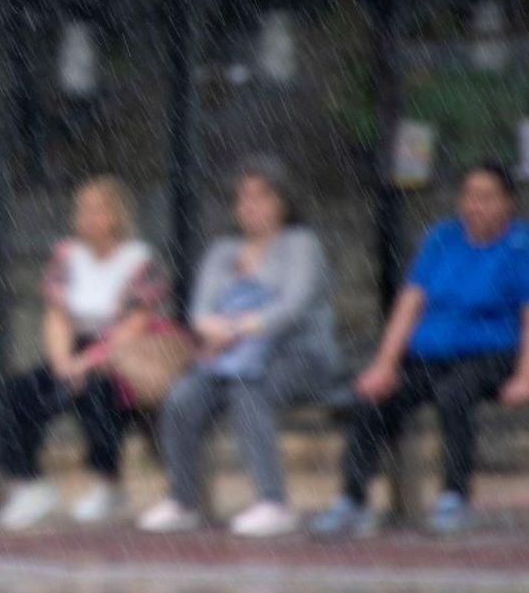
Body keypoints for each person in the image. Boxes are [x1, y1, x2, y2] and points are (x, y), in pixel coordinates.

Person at [312, 162, 529, 538]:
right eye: (469, 196)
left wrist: (525, 377)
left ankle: (454, 497)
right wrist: (383, 365)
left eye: (486, 197)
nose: (475, 205)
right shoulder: (441, 238)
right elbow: (409, 305)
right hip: (428, 354)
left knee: (454, 395)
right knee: (370, 398)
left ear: (507, 202)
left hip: (490, 354)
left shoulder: (520, 245)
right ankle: (353, 499)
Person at [136, 154, 339, 538]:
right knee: (183, 397)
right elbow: (199, 313)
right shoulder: (222, 251)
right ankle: (182, 500)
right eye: (244, 197)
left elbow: (293, 307)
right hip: (229, 356)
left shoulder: (301, 244)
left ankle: (273, 502)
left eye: (261, 196)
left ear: (283, 202)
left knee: (249, 391)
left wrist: (241, 328)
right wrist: (217, 331)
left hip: (298, 354)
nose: (250, 206)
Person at [0, 176, 169, 530]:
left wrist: (89, 363)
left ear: (117, 216)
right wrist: (63, 363)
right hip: (73, 351)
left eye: (98, 210)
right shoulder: (67, 256)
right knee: (18, 392)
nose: (88, 217)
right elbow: (57, 316)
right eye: (83, 209)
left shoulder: (139, 261)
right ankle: (27, 483)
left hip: (121, 356)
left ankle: (108, 484)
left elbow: (135, 324)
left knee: (100, 393)